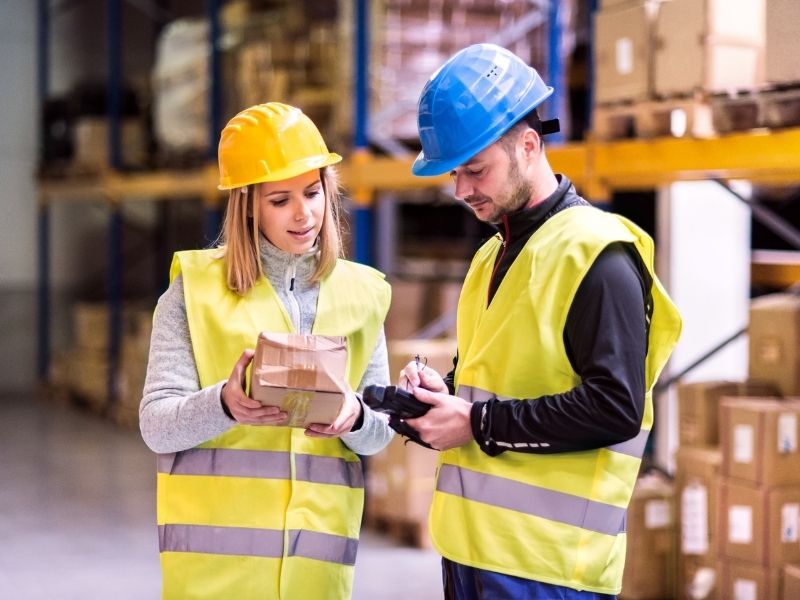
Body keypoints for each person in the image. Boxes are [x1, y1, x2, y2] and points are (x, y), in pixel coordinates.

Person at [399, 43, 683, 599]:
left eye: (475, 170)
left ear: (528, 145)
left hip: (550, 573)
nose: (461, 191)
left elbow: (615, 408)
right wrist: (445, 396)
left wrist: (476, 423)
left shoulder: (597, 255)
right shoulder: (490, 257)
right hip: (472, 554)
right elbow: (495, 381)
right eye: (455, 173)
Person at [139, 102, 394, 599]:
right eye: (280, 200)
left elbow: (380, 432)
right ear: (247, 204)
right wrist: (224, 405)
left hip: (316, 575)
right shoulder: (193, 293)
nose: (304, 214)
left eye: (313, 192)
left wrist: (355, 416)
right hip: (217, 577)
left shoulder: (362, 295)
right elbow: (156, 425)